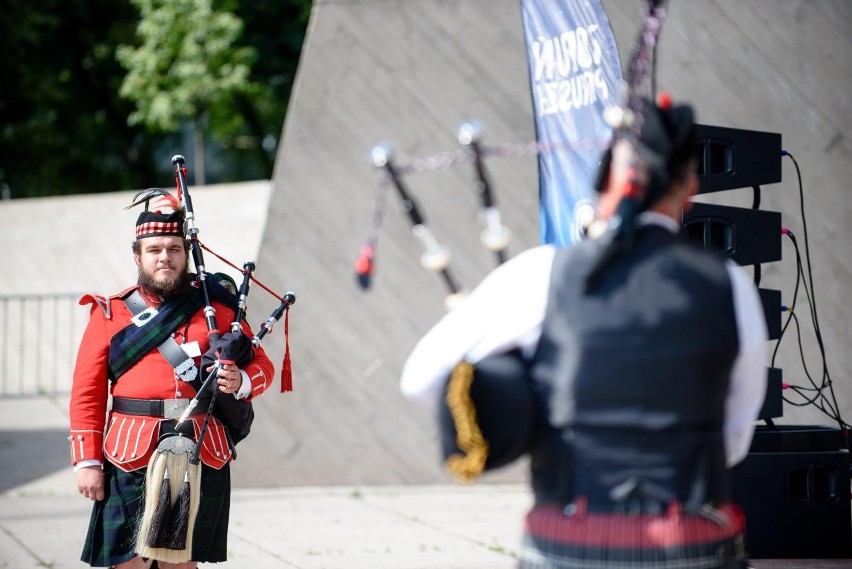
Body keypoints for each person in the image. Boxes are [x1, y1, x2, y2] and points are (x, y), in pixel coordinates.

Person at [400, 97, 768, 568]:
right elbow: (733, 440)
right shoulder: (728, 281)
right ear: (687, 189)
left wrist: (526, 416)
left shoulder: (539, 274)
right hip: (691, 541)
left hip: (568, 538)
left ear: (604, 183)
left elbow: (421, 379)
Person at [69, 191, 275, 568]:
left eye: (174, 248)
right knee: (127, 562)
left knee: (181, 563)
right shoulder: (111, 313)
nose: (165, 257)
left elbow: (263, 365)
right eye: (155, 250)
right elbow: (87, 394)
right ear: (138, 256)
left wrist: (240, 381)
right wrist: (87, 462)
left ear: (186, 253)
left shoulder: (218, 308)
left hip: (199, 448)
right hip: (129, 452)